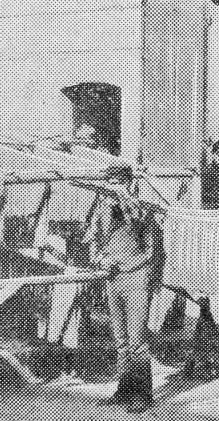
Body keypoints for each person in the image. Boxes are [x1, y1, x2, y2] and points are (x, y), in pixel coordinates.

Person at [90, 166, 161, 414]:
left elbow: (151, 251)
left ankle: (142, 395)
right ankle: (124, 389)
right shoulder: (101, 211)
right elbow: (94, 242)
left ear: (129, 184)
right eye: (109, 184)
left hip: (136, 279)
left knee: (136, 341)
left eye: (118, 183)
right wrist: (101, 259)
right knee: (121, 341)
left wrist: (123, 264)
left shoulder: (142, 210)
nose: (112, 189)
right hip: (113, 279)